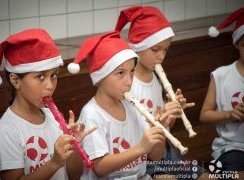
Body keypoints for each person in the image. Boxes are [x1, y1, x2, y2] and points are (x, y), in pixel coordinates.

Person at [0, 29, 96, 180]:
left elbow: (74, 174)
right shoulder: (5, 132)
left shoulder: (51, 117)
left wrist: (75, 147)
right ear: (15, 80)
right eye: (40, 76)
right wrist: (54, 162)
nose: (50, 85)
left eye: (54, 75)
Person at [114, 6, 208, 180]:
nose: (161, 56)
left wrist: (171, 114)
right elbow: (127, 134)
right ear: (137, 47)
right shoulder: (125, 84)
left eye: (165, 49)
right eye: (155, 49)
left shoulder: (155, 80)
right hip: (140, 157)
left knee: (207, 177)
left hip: (163, 150)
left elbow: (164, 130)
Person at [67, 31, 166, 179]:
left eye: (132, 72)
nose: (129, 81)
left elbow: (156, 156)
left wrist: (159, 132)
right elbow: (99, 168)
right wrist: (140, 148)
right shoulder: (92, 114)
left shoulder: (132, 104)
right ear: (100, 77)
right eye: (120, 73)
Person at [200, 7, 244, 178]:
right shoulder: (221, 75)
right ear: (236, 44)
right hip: (232, 147)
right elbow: (204, 115)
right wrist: (229, 114)